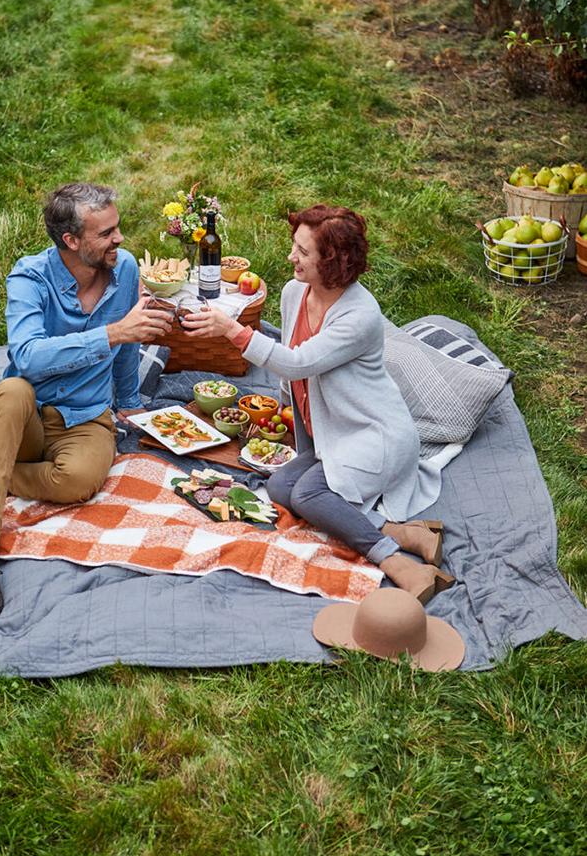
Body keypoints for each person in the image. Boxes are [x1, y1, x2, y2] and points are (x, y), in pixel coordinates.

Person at [183, 204, 455, 605]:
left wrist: (234, 332)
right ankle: (402, 531)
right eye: (295, 246)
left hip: (377, 435)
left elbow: (297, 363)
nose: (291, 257)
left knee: (308, 494)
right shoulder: (296, 292)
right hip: (334, 435)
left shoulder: (359, 315)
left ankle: (396, 561)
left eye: (303, 252)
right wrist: (285, 418)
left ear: (332, 263)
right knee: (280, 486)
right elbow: (295, 373)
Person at [0, 182, 174, 619]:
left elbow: (129, 346)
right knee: (12, 388)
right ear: (71, 241)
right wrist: (111, 333)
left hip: (88, 418)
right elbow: (26, 356)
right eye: (106, 233)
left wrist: (131, 403)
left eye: (118, 228)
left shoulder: (126, 268)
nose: (119, 239)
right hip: (28, 415)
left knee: (78, 482)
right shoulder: (30, 277)